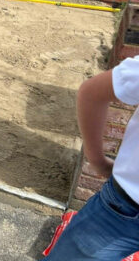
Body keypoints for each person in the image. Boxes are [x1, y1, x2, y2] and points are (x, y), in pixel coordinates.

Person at [42, 56, 139, 260]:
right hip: (125, 210)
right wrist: (97, 160)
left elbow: (91, 93)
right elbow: (92, 93)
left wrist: (98, 161)